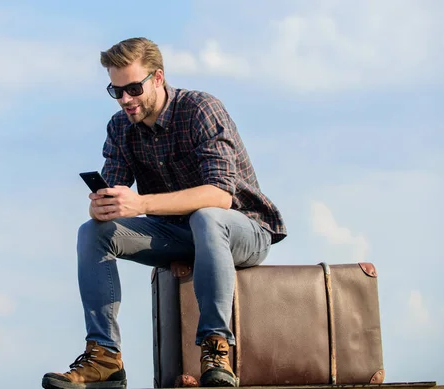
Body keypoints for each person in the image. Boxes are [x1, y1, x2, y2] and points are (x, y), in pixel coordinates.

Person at [42, 37, 287, 389]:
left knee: (206, 217)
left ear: (158, 78)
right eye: (116, 91)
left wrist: (141, 204)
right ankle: (105, 357)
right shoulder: (120, 127)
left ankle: (216, 349)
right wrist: (103, 205)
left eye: (133, 88)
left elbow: (220, 195)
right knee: (91, 233)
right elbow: (114, 191)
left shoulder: (201, 109)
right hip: (177, 235)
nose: (126, 99)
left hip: (243, 229)